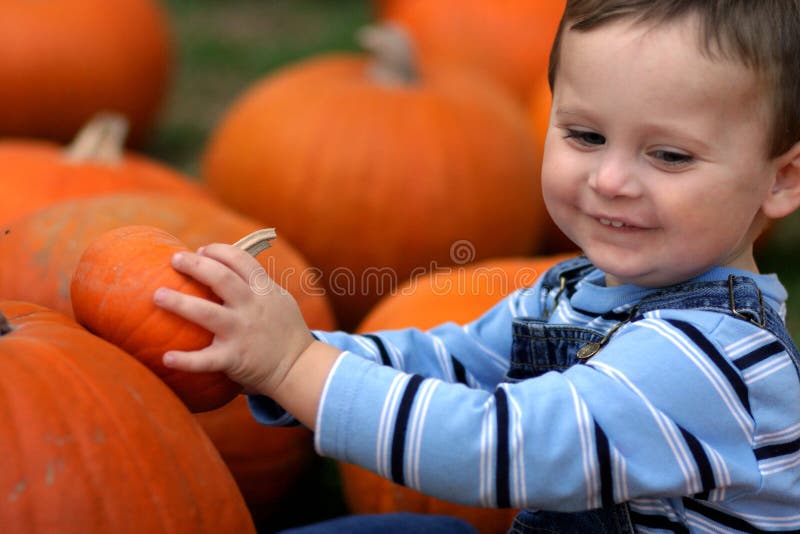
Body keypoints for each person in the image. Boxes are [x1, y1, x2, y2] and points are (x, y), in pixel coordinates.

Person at [153, 1, 800, 531]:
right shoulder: (577, 290)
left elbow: (496, 446)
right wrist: (293, 357)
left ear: (782, 179)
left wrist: (294, 367)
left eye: (668, 155)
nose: (610, 179)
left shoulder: (707, 361)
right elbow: (452, 364)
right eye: (586, 136)